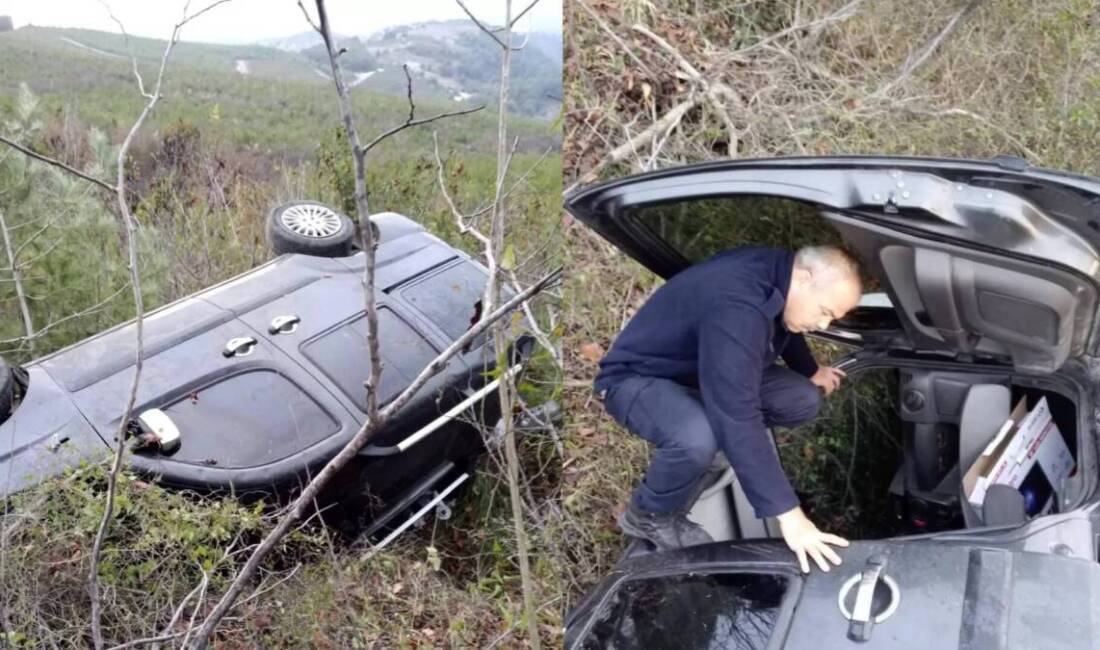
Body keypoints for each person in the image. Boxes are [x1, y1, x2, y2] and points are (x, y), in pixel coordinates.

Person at [595, 244, 862, 573]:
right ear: (804, 278)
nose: (822, 324)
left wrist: (809, 370)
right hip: (638, 379)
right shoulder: (737, 304)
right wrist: (791, 517)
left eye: (831, 318)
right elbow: (738, 412)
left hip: (699, 371)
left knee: (800, 397)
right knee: (697, 439)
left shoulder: (776, 271)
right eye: (824, 311)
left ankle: (713, 444)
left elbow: (786, 322)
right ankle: (648, 514)